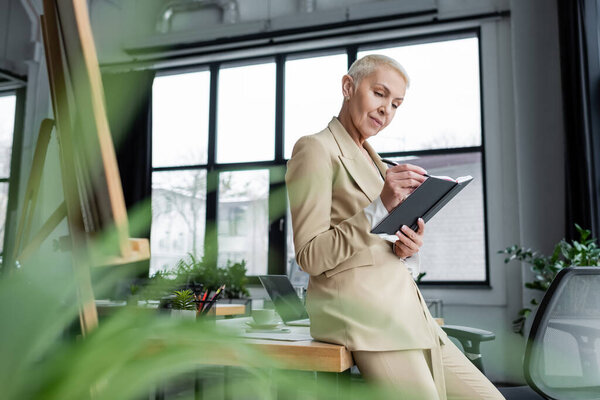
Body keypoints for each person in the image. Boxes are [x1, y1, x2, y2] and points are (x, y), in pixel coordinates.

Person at [285, 55, 504, 399]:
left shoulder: (377, 163)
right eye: (379, 93)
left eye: (396, 103)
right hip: (365, 317)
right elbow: (310, 256)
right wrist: (380, 206)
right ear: (348, 87)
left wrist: (406, 248)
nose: (387, 109)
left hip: (409, 313)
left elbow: (376, 243)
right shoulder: (315, 149)